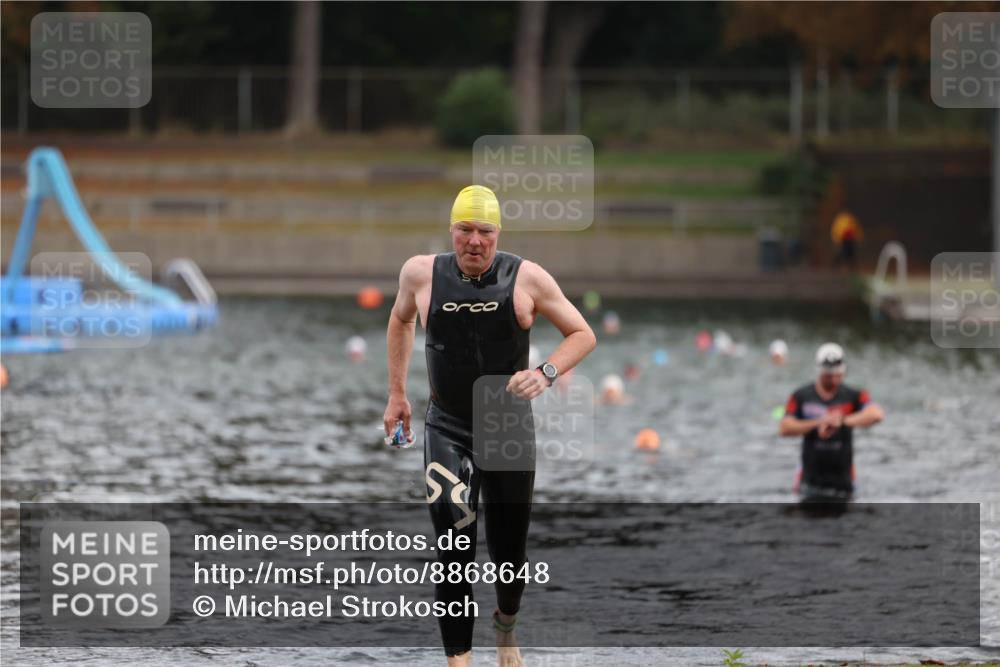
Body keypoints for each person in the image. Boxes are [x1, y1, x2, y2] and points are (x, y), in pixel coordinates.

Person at [383, 185, 597, 667]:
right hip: (448, 425)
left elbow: (583, 334)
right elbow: (399, 322)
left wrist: (544, 374)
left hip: (507, 428)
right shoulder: (420, 274)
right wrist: (397, 393)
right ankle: (459, 661)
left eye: (484, 232)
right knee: (453, 544)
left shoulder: (527, 279)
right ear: (452, 231)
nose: (474, 242)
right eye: (465, 231)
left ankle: (505, 629)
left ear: (497, 234)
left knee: (508, 553)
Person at [779, 343, 884, 500]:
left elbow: (877, 414)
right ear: (819, 372)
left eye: (838, 375)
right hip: (810, 482)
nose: (835, 380)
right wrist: (819, 422)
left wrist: (841, 421)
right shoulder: (801, 396)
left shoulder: (853, 395)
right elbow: (784, 428)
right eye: (829, 376)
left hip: (843, 481)